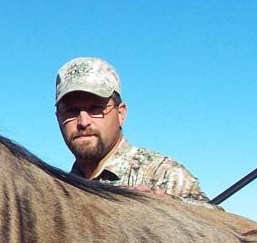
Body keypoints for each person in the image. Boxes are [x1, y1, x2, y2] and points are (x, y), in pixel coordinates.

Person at [54, 56, 208, 202]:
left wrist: (170, 206)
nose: (83, 122)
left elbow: (220, 223)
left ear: (121, 113)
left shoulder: (164, 174)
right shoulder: (62, 191)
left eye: (96, 109)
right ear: (58, 118)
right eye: (71, 111)